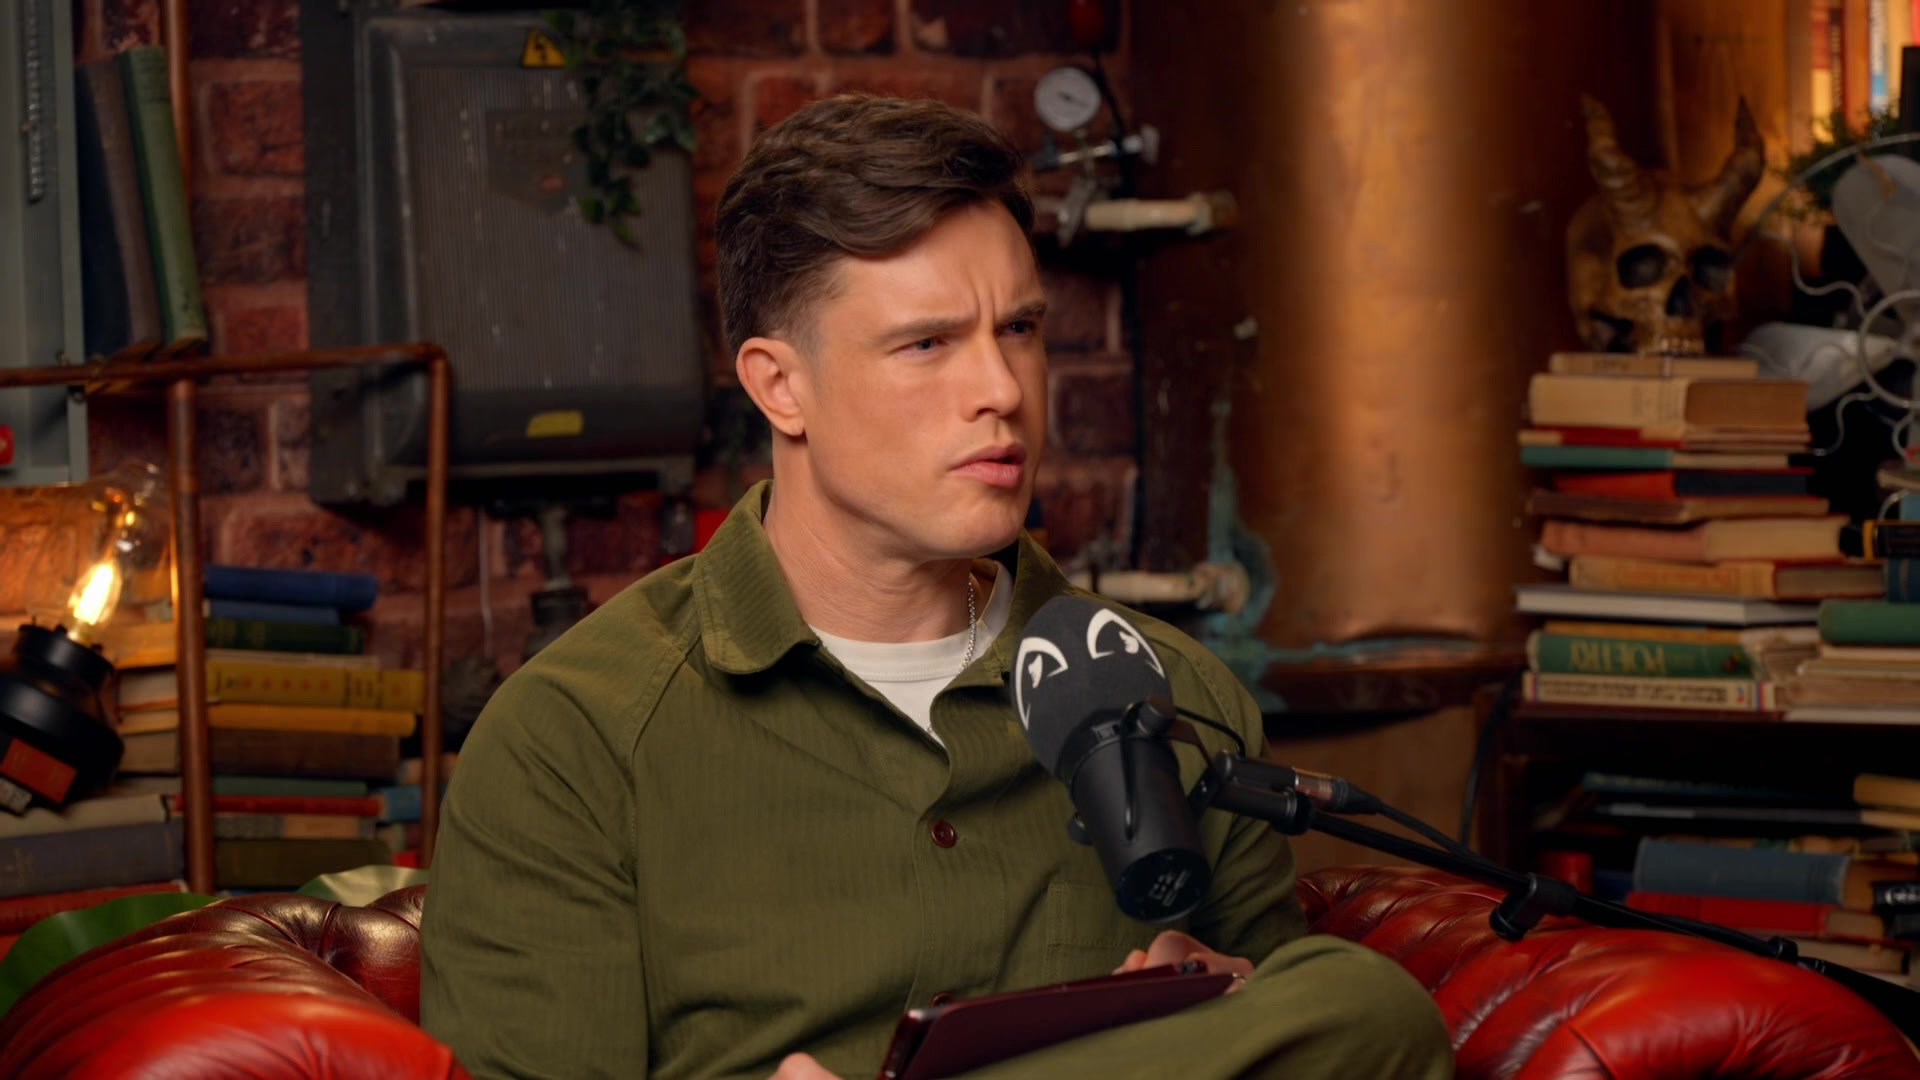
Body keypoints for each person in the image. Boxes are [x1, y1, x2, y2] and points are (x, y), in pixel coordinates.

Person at [420, 94, 1454, 1080]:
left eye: (1020, 330)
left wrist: (1211, 1015)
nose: (1002, 391)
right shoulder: (571, 742)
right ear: (781, 385)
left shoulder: (1182, 696)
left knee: (1363, 1005)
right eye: (927, 344)